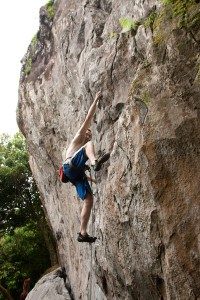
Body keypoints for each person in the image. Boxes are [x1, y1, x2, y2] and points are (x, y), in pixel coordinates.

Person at [63, 91, 110, 243]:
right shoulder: (79, 138)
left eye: (90, 135)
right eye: (87, 133)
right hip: (70, 166)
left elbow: (79, 173)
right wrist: (96, 99)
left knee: (89, 200)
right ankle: (94, 162)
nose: (88, 136)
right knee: (89, 146)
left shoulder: (79, 153)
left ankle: (82, 233)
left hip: (75, 175)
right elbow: (88, 119)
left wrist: (93, 181)